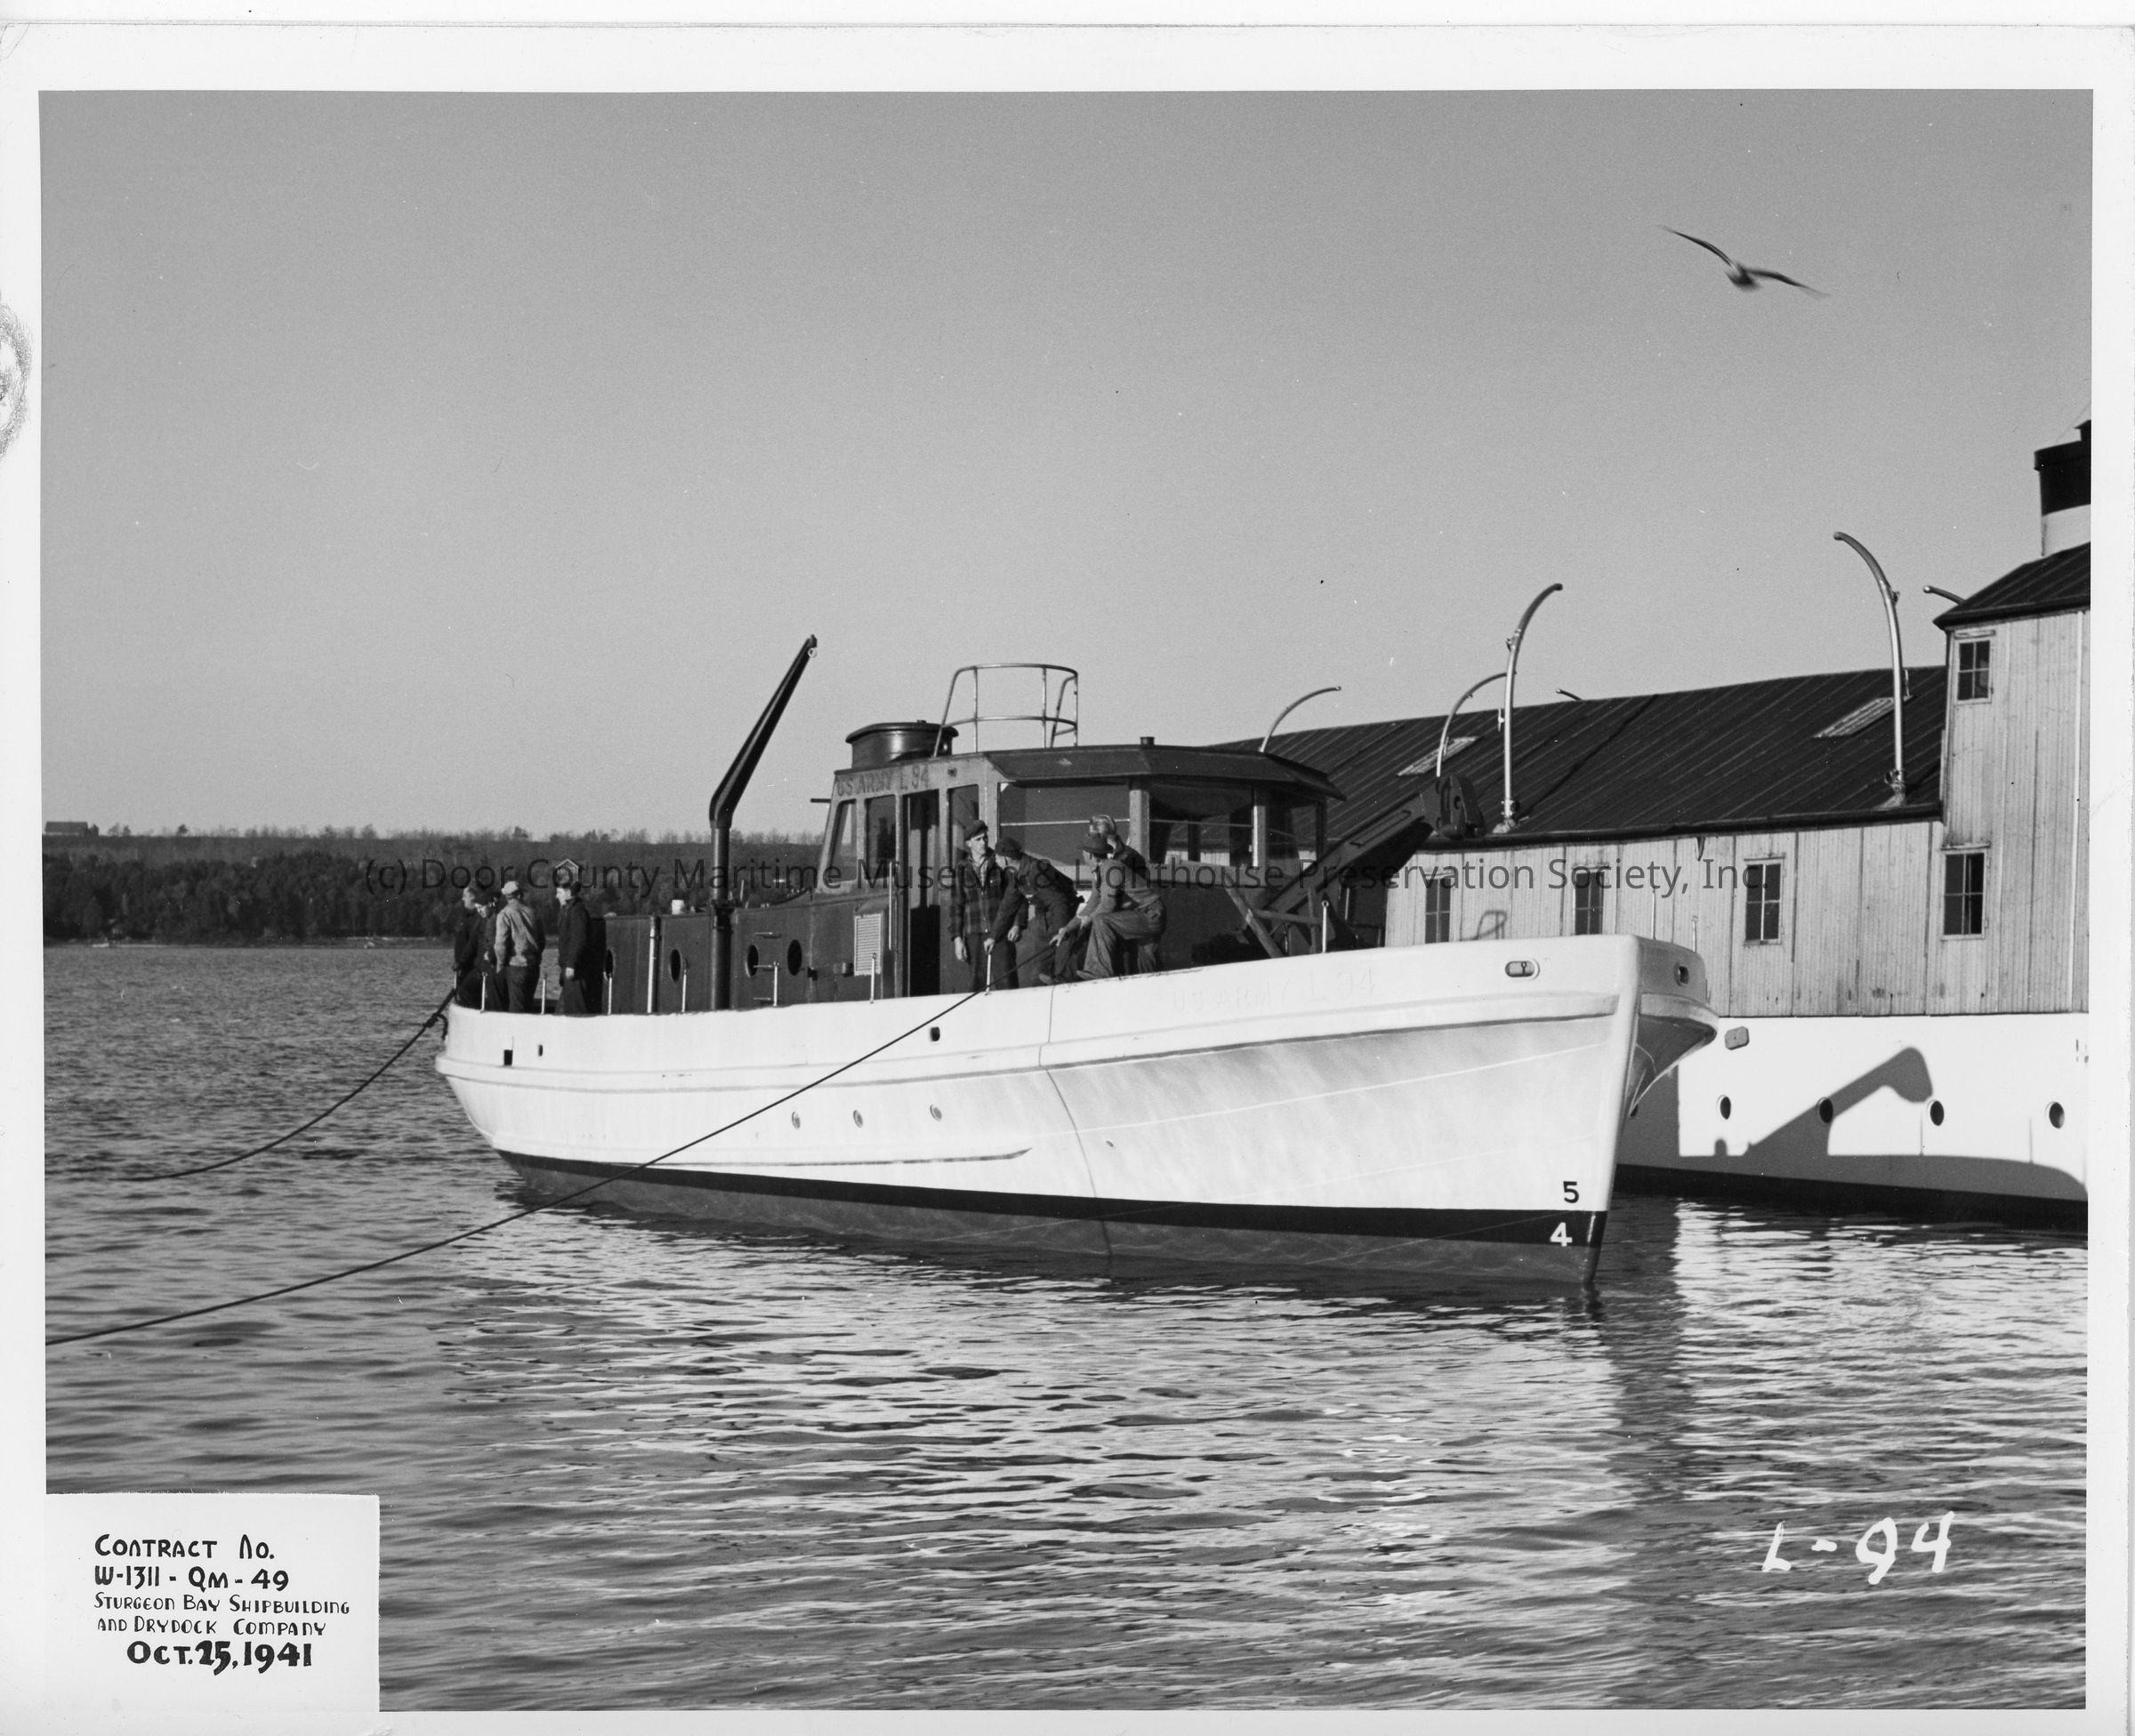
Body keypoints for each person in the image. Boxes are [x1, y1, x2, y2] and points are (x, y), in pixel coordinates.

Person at [1064, 815, 1166, 980]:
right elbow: (1094, 903)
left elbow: (1108, 905)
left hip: (1149, 913)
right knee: (1143, 966)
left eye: (1084, 851)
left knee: (1103, 922)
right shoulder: (1101, 871)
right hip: (1134, 914)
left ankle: (1098, 973)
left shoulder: (1114, 866)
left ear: (1090, 855)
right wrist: (1069, 928)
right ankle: (1080, 975)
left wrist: (1088, 920)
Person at [996, 838, 1079, 986]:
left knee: (1063, 971)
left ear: (1006, 859)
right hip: (1043, 919)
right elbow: (1008, 904)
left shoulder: (1036, 870)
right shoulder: (1015, 872)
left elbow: (1058, 902)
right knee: (1039, 974)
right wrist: (993, 936)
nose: (995, 860)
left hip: (1062, 917)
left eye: (997, 856)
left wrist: (1061, 931)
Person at [950, 823, 1022, 991]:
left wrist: (1017, 924)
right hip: (974, 934)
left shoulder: (999, 862)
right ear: (969, 843)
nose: (983, 842)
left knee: (1007, 983)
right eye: (978, 839)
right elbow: (956, 906)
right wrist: (957, 939)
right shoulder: (961, 868)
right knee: (977, 985)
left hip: (1000, 932)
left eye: (985, 838)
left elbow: (1015, 895)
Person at [493, 880, 546, 1014]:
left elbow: (500, 945)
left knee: (517, 1009)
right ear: (520, 895)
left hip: (516, 966)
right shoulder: (532, 912)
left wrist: (500, 964)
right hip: (533, 967)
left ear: (507, 897)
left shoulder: (504, 914)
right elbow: (542, 940)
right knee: (528, 1006)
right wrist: (536, 956)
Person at [553, 879, 595, 1017]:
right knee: (566, 1008)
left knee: (577, 1009)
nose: (557, 896)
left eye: (559, 893)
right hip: (568, 967)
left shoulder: (577, 911)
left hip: (575, 969)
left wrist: (571, 964)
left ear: (569, 893)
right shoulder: (568, 910)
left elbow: (579, 938)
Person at [450, 887, 491, 1008]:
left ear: (473, 897)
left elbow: (474, 944)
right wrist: (460, 962)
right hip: (464, 965)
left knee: (466, 990)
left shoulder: (479, 919)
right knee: (463, 992)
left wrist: (464, 962)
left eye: (465, 896)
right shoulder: (464, 916)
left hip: (473, 966)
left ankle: (474, 1011)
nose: (463, 899)